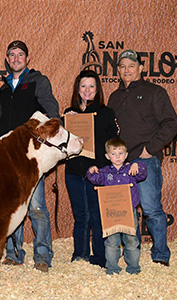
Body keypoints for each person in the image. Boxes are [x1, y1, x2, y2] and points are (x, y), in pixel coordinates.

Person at [108, 50, 177, 267]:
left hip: (145, 160)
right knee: (127, 211)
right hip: (121, 163)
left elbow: (171, 123)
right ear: (118, 70)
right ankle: (133, 255)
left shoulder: (155, 92)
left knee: (150, 208)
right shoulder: (115, 97)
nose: (127, 70)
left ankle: (160, 255)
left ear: (141, 68)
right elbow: (107, 128)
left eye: (131, 65)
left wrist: (150, 149)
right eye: (122, 66)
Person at [0, 40, 59, 272]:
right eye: (11, 55)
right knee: (13, 207)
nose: (15, 58)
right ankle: (13, 253)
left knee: (37, 207)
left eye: (20, 54)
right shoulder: (4, 88)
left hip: (32, 158)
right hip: (9, 157)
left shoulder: (38, 82)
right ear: (7, 60)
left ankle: (42, 256)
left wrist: (39, 141)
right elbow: (1, 123)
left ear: (27, 59)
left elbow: (53, 115)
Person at [63, 70, 119, 268]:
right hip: (74, 172)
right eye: (83, 86)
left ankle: (100, 257)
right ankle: (80, 254)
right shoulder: (69, 114)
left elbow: (113, 144)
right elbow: (62, 147)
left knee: (97, 216)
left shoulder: (106, 113)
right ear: (78, 89)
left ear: (98, 89)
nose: (87, 90)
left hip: (97, 172)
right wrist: (65, 123)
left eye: (91, 86)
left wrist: (102, 166)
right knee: (80, 216)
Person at [86, 138, 147, 274]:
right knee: (111, 241)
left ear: (126, 155)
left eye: (120, 153)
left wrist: (138, 165)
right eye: (114, 154)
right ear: (107, 156)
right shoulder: (105, 172)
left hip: (129, 211)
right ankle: (112, 268)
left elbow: (142, 174)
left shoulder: (131, 170)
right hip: (110, 212)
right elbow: (93, 178)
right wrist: (91, 170)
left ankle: (133, 267)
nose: (117, 157)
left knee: (131, 240)